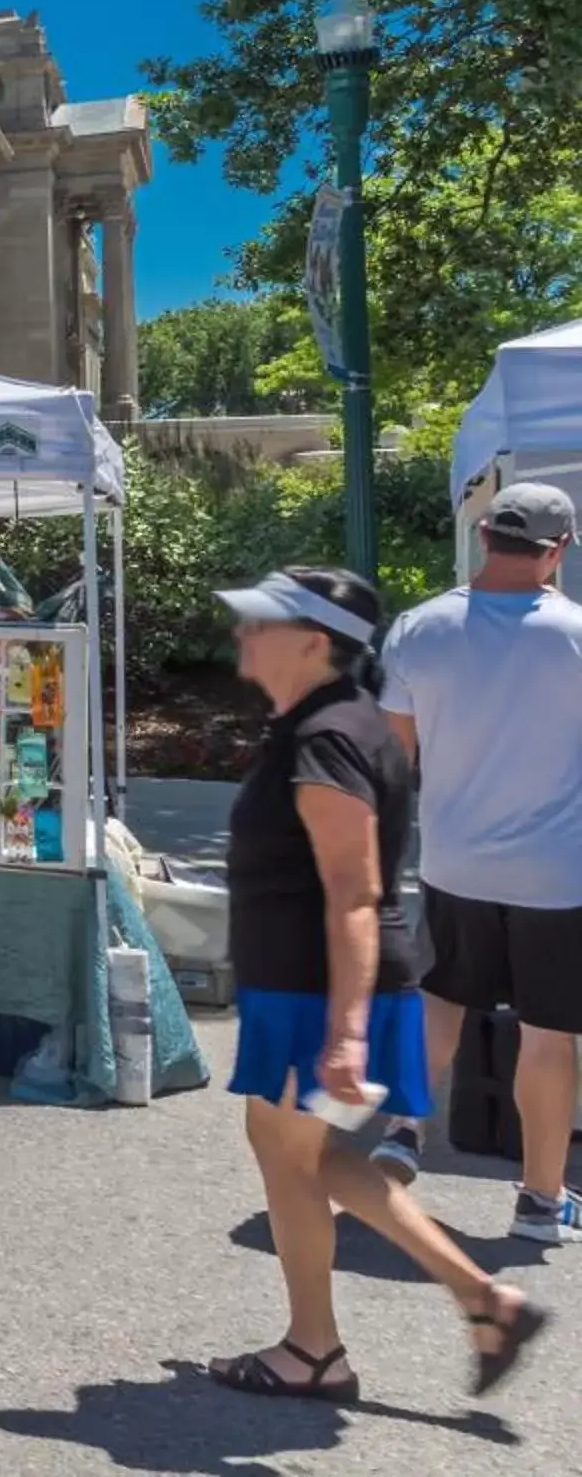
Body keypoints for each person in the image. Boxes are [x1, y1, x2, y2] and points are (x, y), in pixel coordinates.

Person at [206, 566, 546, 1400]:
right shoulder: (323, 725)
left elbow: (355, 892)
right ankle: (484, 1299)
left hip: (320, 994)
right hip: (313, 987)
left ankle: (314, 1351)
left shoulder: (328, 736)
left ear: (315, 643)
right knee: (311, 1157)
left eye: (264, 622)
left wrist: (346, 1031)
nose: (245, 632)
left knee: (289, 1160)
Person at [374, 480, 582, 1233]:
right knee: (549, 1034)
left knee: (440, 1000)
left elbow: (393, 760)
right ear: (557, 552)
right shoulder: (576, 635)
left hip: (454, 859)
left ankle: (402, 1132)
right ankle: (539, 1200)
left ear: (485, 534)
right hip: (557, 873)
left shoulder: (419, 629)